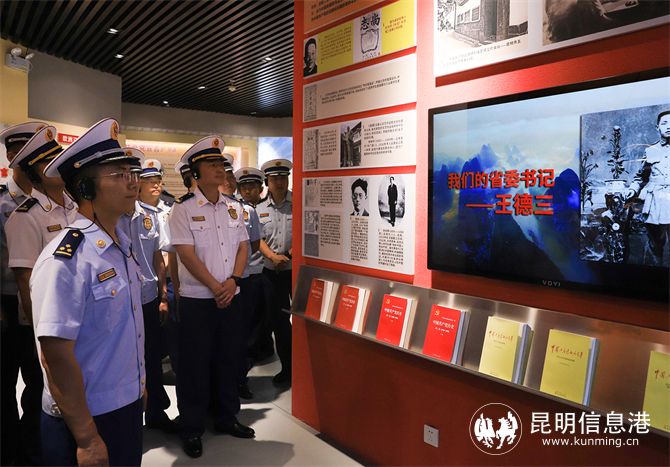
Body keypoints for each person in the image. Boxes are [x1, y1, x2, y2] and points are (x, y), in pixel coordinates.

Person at [31, 118, 146, 466]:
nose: (132, 182)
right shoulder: (66, 259)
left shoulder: (119, 245)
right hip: (85, 418)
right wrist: (86, 437)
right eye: (119, 175)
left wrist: (138, 385)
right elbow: (55, 355)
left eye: (132, 173)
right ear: (85, 188)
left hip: (123, 406)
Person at [168, 136, 253, 459]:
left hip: (232, 295)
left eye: (222, 164)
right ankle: (191, 427)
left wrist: (233, 281)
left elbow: (243, 247)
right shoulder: (183, 209)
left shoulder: (234, 207)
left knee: (229, 358)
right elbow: (185, 254)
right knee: (194, 365)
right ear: (196, 172)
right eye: (212, 164)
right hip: (198, 299)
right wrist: (216, 287)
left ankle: (227, 417)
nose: (220, 169)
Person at [118, 157, 177, 433]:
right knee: (124, 360)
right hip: (121, 300)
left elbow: (157, 258)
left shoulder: (150, 216)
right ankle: (126, 418)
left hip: (148, 297)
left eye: (135, 177)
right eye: (128, 177)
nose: (132, 183)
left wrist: (163, 296)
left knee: (152, 357)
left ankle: (156, 412)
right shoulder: (110, 216)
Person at [0, 121, 47, 466]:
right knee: (4, 383)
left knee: (38, 382)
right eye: (22, 152)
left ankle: (33, 447)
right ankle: (8, 451)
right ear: (12, 157)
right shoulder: (2, 201)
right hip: (4, 304)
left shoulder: (51, 202)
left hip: (40, 305)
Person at [257, 158, 293, 385]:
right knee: (279, 322)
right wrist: (272, 256)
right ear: (267, 182)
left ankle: (303, 368)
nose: (279, 182)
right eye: (275, 178)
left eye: (283, 177)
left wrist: (288, 255)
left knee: (303, 322)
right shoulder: (259, 209)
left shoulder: (300, 203)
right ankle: (287, 368)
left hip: (295, 271)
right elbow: (257, 238)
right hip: (271, 272)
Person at [233, 167, 264, 399]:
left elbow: (254, 244)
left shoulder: (246, 211)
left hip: (245, 277)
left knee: (243, 331)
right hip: (219, 281)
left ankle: (240, 379)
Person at [626, 110, 670, 266]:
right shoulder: (650, 151)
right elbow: (639, 177)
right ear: (657, 127)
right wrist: (632, 190)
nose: (669, 127)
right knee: (654, 245)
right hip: (655, 203)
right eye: (664, 123)